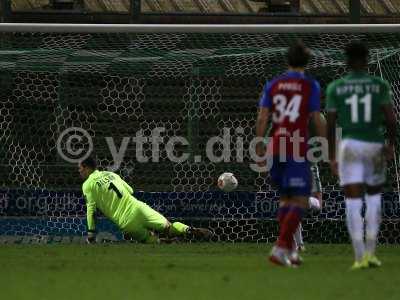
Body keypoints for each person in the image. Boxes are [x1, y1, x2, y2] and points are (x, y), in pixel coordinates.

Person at [326, 41, 396, 270]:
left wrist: (331, 156)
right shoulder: (379, 85)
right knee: (374, 197)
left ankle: (358, 258)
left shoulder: (336, 87)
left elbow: (330, 124)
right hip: (374, 143)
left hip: (349, 145)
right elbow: (391, 119)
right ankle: (371, 253)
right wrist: (391, 144)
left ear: (346, 61)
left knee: (353, 200)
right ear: (367, 60)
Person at [256, 40, 326, 267]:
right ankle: (280, 247)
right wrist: (327, 144)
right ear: (306, 62)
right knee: (302, 200)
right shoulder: (310, 86)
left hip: (275, 147)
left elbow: (262, 117)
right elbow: (316, 118)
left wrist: (259, 143)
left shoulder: (273, 84)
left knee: (286, 199)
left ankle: (288, 251)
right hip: (295, 147)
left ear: (287, 60)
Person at [79, 156, 212, 244]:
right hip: (138, 207)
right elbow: (130, 190)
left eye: (80, 168)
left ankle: (165, 242)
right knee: (168, 228)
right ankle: (188, 229)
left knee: (153, 240)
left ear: (86, 167)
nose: (79, 171)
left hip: (125, 221)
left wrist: (91, 234)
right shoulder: (111, 174)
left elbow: (91, 211)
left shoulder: (88, 185)